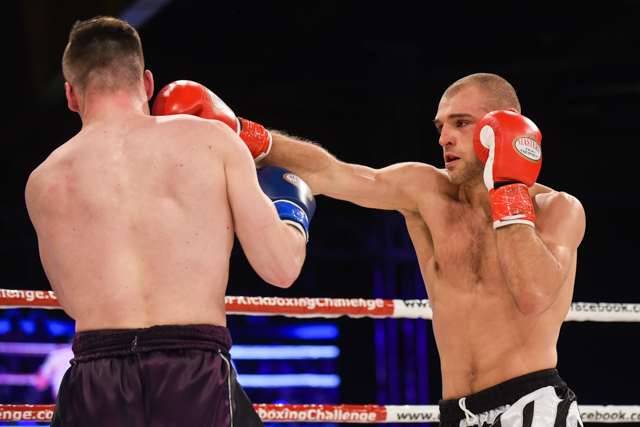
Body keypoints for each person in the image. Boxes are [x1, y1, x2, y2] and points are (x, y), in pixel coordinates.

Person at [156, 73, 586, 427]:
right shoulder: (427, 191)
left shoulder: (558, 210)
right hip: (456, 414)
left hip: (533, 407)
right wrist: (240, 131)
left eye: (461, 123)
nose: (444, 139)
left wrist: (508, 189)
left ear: (504, 126)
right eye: (440, 127)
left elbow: (533, 294)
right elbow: (333, 174)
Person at [24, 16, 315, 427]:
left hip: (96, 379)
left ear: (71, 95)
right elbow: (281, 268)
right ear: (147, 84)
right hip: (194, 374)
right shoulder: (212, 142)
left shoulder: (43, 181)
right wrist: (292, 213)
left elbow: (72, 302)